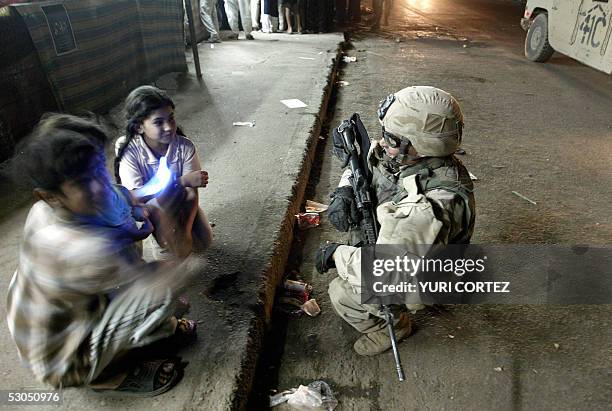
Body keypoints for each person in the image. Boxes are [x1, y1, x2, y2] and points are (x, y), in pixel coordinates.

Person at [6, 114, 202, 395]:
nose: (100, 186)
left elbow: (125, 196)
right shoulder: (78, 249)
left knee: (125, 232)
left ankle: (136, 333)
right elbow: (163, 277)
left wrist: (139, 208)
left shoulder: (49, 209)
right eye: (84, 183)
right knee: (162, 295)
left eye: (99, 168)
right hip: (60, 359)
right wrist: (168, 216)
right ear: (49, 196)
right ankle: (104, 376)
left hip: (59, 317)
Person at [316, 86, 475, 356]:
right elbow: (367, 163)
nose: (382, 142)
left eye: (390, 138)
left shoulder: (427, 207)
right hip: (408, 243)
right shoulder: (412, 157)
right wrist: (345, 189)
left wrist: (336, 255)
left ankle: (392, 325)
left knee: (342, 293)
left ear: (420, 146)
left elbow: (385, 271)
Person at [115, 85, 213, 260]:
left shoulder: (185, 147)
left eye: (171, 118)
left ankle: (177, 231)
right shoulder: (129, 149)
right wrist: (181, 182)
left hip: (179, 201)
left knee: (203, 242)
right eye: (158, 122)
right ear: (139, 127)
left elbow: (192, 196)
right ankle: (159, 238)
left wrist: (185, 232)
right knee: (169, 253)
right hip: (149, 208)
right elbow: (137, 197)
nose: (169, 127)